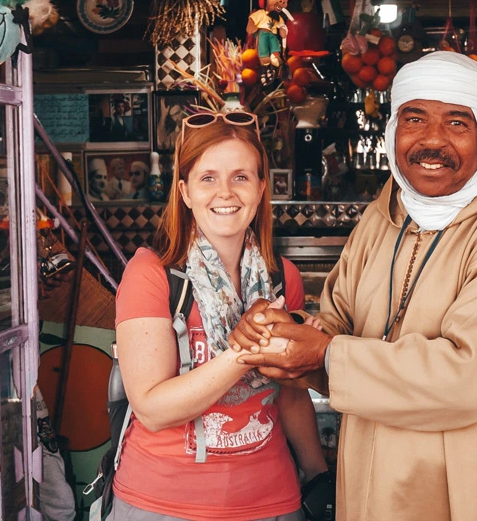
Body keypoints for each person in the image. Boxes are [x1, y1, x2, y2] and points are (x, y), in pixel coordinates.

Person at [231, 52, 477, 520]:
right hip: (371, 487)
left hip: (473, 495)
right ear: (393, 130)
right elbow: (336, 323)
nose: (432, 141)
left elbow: (465, 380)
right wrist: (284, 332)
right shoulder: (385, 215)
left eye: (457, 123)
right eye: (415, 119)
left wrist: (323, 353)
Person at [112, 112, 329, 520]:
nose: (225, 193)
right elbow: (153, 409)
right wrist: (252, 346)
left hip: (272, 501)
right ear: (185, 191)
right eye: (207, 178)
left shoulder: (282, 278)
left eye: (241, 177)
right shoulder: (151, 276)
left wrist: (319, 478)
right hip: (162, 504)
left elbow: (292, 398)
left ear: (262, 188)